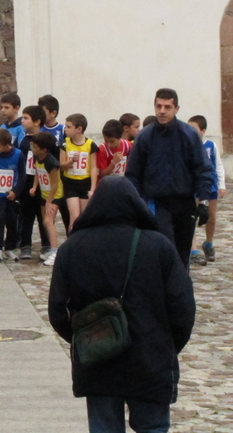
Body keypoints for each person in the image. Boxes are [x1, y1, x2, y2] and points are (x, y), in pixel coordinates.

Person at [49, 176, 195, 433]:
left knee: (104, 427)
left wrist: (83, 339)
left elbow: (57, 310)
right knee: (153, 427)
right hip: (150, 356)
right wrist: (167, 346)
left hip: (98, 357)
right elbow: (183, 308)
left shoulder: (72, 248)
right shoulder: (158, 246)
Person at [125, 88, 215, 268]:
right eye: (159, 106)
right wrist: (139, 203)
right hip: (158, 204)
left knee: (183, 254)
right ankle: (164, 292)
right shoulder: (145, 137)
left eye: (167, 106)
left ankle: (181, 291)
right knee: (166, 250)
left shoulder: (189, 135)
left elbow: (202, 168)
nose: (162, 111)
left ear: (176, 108)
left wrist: (204, 201)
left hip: (185, 202)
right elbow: (133, 174)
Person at [187, 115, 226, 266]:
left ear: (203, 131)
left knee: (211, 216)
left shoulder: (210, 146)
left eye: (194, 129)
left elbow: (218, 166)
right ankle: (193, 249)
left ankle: (208, 243)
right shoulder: (187, 145)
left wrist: (221, 185)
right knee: (193, 215)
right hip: (193, 185)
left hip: (210, 185)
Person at [0, 128, 25, 262]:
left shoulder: (18, 155)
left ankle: (10, 247)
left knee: (12, 220)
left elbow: (22, 175)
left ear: (6, 145)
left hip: (11, 194)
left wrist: (15, 191)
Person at [14, 105, 47, 261]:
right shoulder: (23, 141)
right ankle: (25, 244)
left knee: (43, 216)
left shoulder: (46, 139)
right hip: (27, 183)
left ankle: (46, 244)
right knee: (26, 215)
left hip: (43, 184)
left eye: (26, 118)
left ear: (37, 121)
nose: (22, 121)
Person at [60, 113, 98, 230]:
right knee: (74, 216)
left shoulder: (90, 144)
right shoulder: (65, 143)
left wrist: (92, 188)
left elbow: (93, 167)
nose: (65, 129)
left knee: (84, 216)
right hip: (70, 183)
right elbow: (62, 165)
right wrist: (71, 162)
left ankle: (84, 243)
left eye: (69, 127)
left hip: (85, 183)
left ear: (79, 129)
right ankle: (72, 241)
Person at [30, 131, 62, 266]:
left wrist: (50, 201)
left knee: (49, 221)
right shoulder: (37, 158)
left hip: (55, 195)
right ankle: (50, 248)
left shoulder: (51, 162)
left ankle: (55, 252)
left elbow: (55, 183)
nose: (32, 148)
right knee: (45, 222)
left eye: (34, 146)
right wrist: (34, 186)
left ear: (44, 149)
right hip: (44, 193)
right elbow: (38, 172)